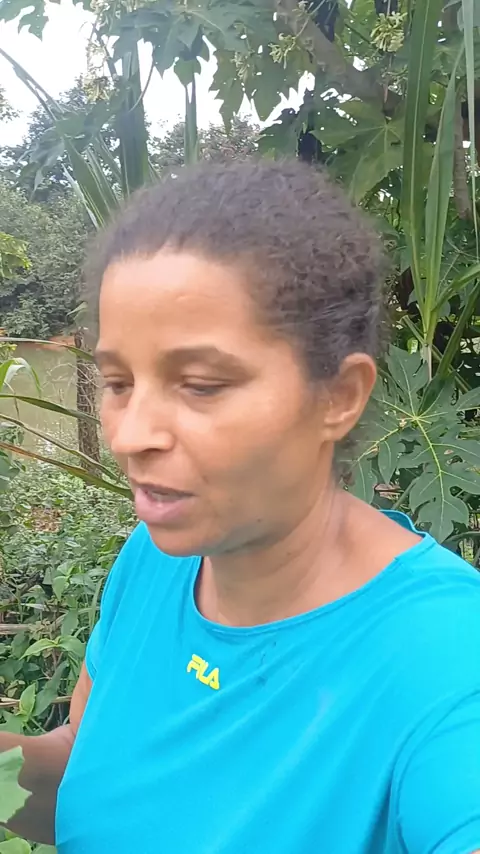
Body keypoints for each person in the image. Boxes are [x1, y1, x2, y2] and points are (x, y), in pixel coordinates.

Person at [1, 160, 480, 854]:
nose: (131, 435)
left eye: (200, 385)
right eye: (117, 382)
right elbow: (89, 770)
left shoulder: (448, 658)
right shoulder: (156, 561)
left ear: (339, 396)